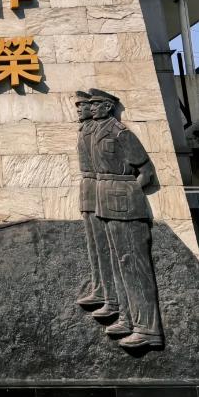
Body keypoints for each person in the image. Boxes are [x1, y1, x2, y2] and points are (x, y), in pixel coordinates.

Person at [89, 88, 164, 350]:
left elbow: (146, 172)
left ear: (108, 106)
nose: (92, 108)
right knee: (119, 262)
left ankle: (148, 329)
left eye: (96, 104)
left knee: (135, 265)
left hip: (126, 206)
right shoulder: (96, 131)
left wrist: (128, 192)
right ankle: (128, 318)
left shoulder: (121, 133)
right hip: (107, 203)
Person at [75, 90, 118, 318]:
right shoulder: (85, 129)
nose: (82, 110)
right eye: (83, 106)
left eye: (83, 106)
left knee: (104, 245)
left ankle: (112, 297)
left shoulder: (98, 130)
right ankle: (100, 289)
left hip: (100, 185)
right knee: (94, 244)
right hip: (88, 186)